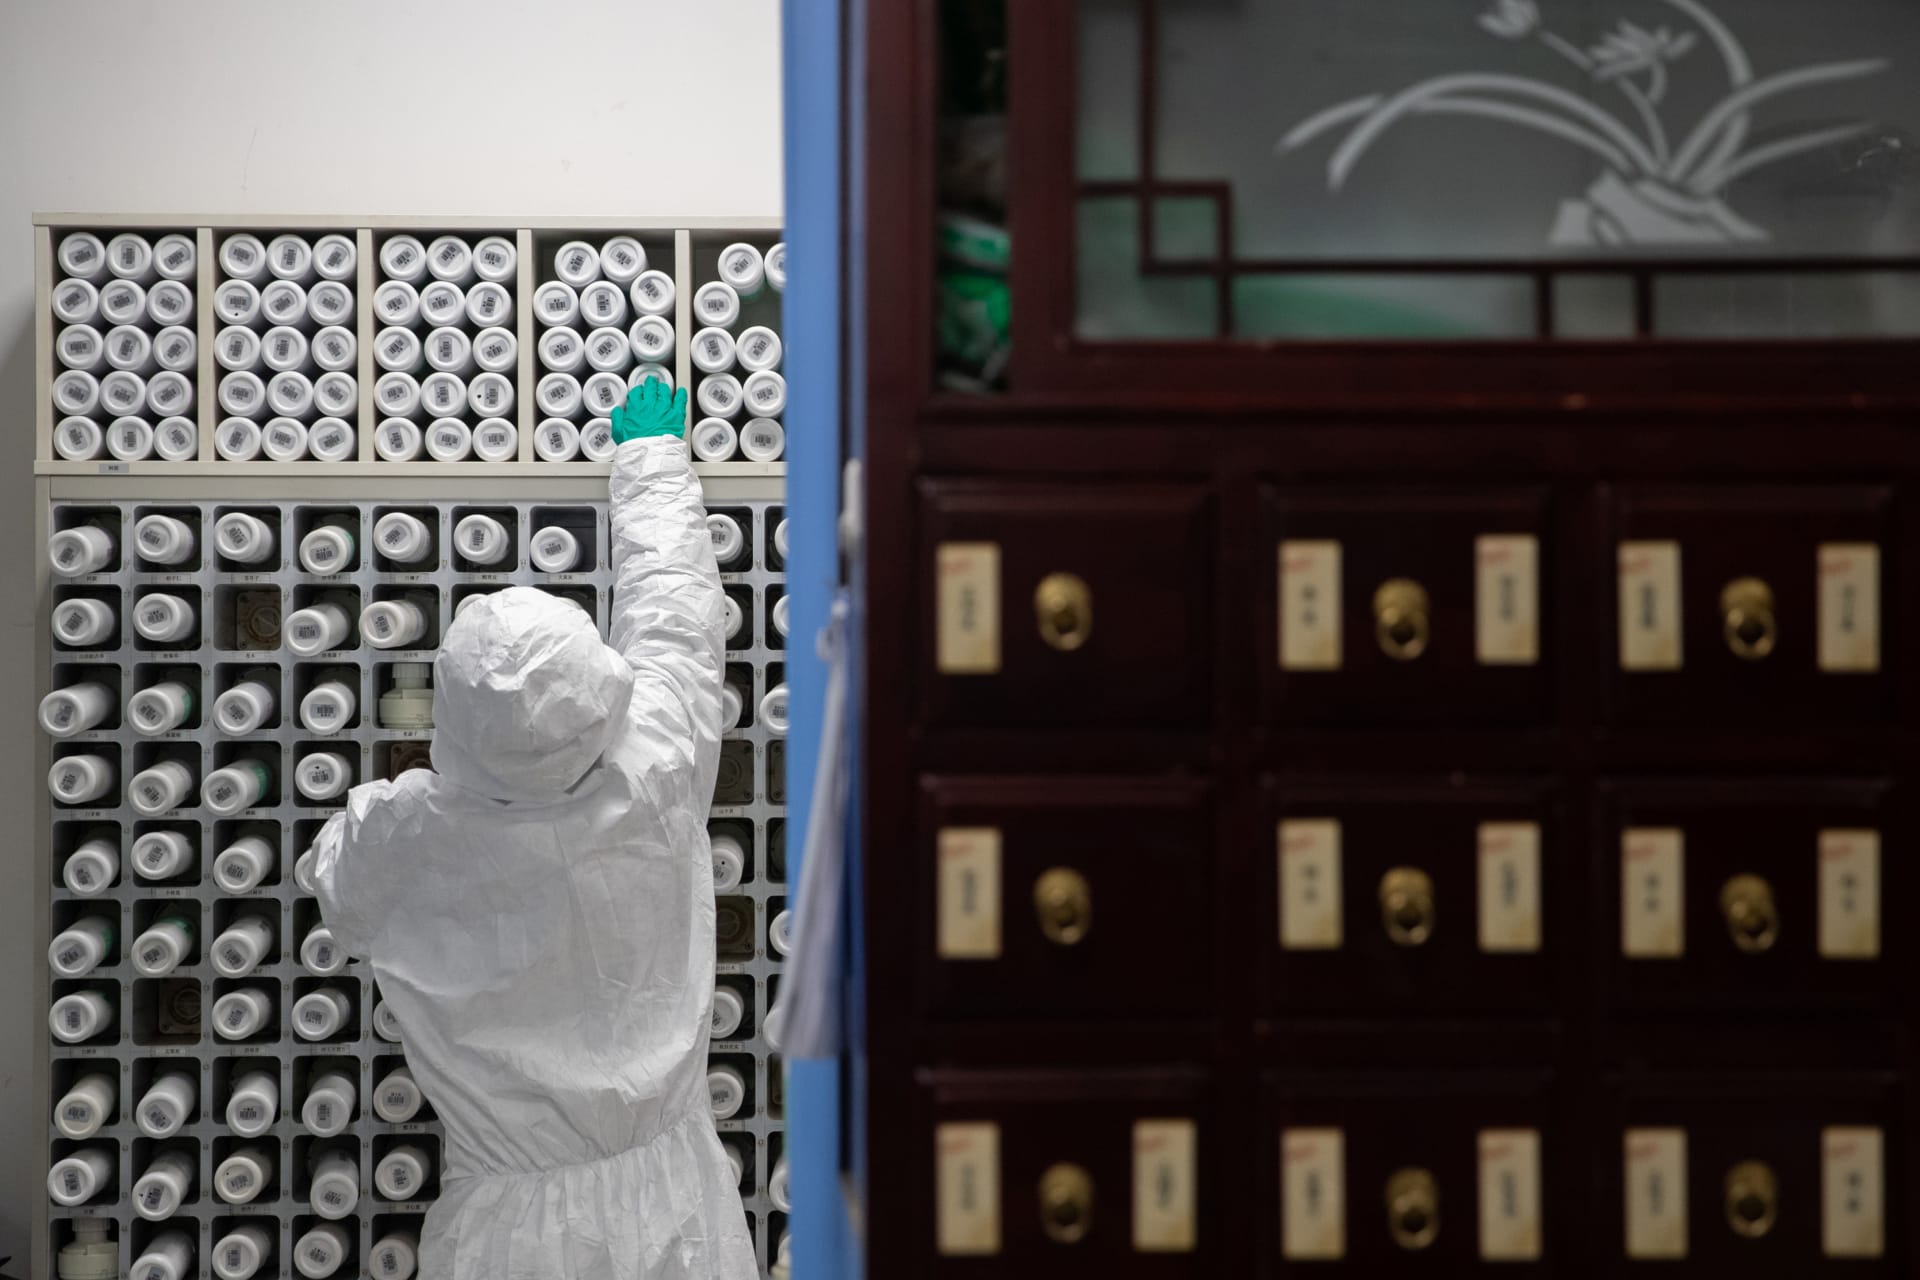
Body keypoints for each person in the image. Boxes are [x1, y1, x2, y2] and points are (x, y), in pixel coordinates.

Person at [312, 377, 757, 1279]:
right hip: (674, 1210)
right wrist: (650, 460)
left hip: (502, 1230)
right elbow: (677, 622)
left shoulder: (399, 837)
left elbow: (337, 894)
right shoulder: (654, 772)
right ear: (602, 697)